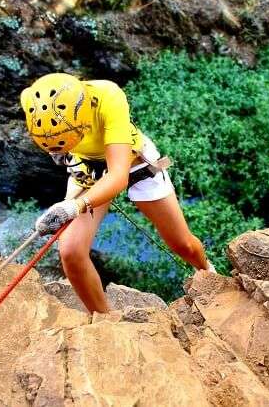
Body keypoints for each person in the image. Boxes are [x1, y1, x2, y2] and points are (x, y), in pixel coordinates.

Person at [20, 73, 213, 313]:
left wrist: (74, 207)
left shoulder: (107, 96)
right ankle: (104, 320)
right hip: (88, 169)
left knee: (183, 244)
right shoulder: (32, 101)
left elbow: (118, 175)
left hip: (135, 163)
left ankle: (208, 273)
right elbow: (74, 161)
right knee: (70, 251)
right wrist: (63, 206)